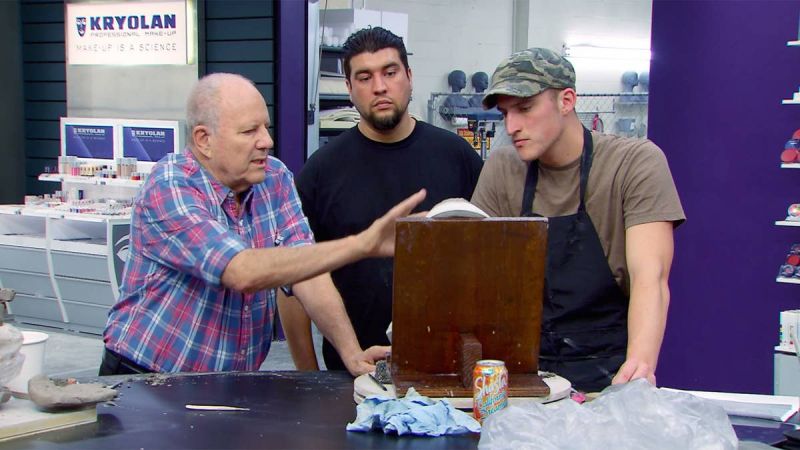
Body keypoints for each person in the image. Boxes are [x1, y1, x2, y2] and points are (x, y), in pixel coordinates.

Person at [100, 72, 426, 376]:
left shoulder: (274, 177)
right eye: (249, 131)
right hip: (145, 378)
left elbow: (308, 273)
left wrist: (351, 354)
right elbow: (241, 271)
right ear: (203, 140)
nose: (266, 141)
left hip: (229, 384)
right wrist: (361, 245)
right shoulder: (169, 185)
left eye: (266, 128)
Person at [471, 48, 685, 392]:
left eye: (525, 108)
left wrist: (639, 368)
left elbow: (651, 278)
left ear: (566, 100)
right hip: (524, 377)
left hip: (608, 374)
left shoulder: (633, 164)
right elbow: (479, 282)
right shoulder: (502, 169)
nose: (512, 127)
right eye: (505, 113)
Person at [286, 27, 483, 372]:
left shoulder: (457, 157)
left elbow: (494, 259)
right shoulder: (321, 172)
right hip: (352, 371)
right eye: (364, 77)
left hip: (450, 369)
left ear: (409, 76)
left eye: (390, 73)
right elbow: (292, 278)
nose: (379, 87)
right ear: (349, 88)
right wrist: (308, 375)